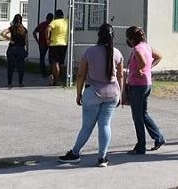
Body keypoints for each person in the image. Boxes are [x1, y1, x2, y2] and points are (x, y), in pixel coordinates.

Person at [58, 24, 124, 167]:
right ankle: (102, 157)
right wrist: (121, 94)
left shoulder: (89, 52)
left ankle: (75, 153)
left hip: (93, 92)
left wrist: (78, 94)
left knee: (87, 126)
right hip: (113, 93)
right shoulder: (117, 53)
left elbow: (81, 74)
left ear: (98, 35)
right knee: (105, 125)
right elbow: (120, 75)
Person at [125, 26, 165, 155]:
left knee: (137, 117)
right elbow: (159, 56)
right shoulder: (146, 46)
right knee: (144, 114)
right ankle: (159, 138)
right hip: (146, 84)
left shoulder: (137, 49)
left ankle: (140, 146)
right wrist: (149, 68)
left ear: (131, 39)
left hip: (137, 86)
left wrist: (139, 70)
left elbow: (142, 62)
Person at [2, 14, 28, 88]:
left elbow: (3, 33)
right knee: (21, 67)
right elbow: (26, 41)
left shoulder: (12, 28)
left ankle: (9, 83)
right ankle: (20, 82)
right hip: (21, 49)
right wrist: (27, 50)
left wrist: (10, 39)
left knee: (10, 66)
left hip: (12, 48)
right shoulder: (24, 29)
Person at [47, 9, 69, 86]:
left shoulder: (54, 22)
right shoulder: (66, 22)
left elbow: (48, 29)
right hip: (64, 44)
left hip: (54, 44)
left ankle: (56, 79)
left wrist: (48, 39)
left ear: (56, 15)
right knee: (61, 63)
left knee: (55, 62)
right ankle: (55, 78)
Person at [32, 12, 53, 78]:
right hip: (51, 43)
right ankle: (51, 73)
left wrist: (37, 40)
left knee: (42, 58)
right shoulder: (52, 25)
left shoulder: (41, 24)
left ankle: (43, 73)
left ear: (46, 18)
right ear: (52, 18)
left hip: (42, 43)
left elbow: (34, 32)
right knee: (52, 59)